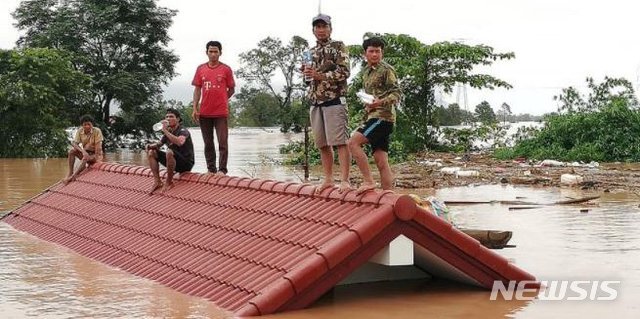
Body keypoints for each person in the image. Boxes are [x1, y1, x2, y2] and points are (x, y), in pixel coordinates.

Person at [303, 13, 352, 193]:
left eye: (324, 26)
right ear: (313, 30)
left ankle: (345, 180)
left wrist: (320, 75)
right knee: (322, 144)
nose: (321, 30)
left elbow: (345, 72)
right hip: (315, 101)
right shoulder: (309, 52)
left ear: (330, 28)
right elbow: (307, 80)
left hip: (335, 99)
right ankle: (329, 178)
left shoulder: (339, 46)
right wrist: (306, 74)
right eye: (318, 27)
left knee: (340, 141)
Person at [348, 37, 401, 193]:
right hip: (373, 116)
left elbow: (396, 93)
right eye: (371, 51)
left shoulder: (386, 70)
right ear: (365, 53)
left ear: (382, 53)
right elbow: (373, 96)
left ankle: (368, 181)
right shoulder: (366, 72)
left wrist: (378, 103)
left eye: (378, 51)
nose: (375, 54)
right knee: (381, 161)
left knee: (353, 143)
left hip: (383, 118)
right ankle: (388, 196)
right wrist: (369, 105)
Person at [192, 40, 235, 176]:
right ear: (206, 53)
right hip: (205, 112)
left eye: (216, 51)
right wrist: (195, 108)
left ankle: (222, 170)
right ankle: (211, 169)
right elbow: (197, 89)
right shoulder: (201, 69)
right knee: (208, 143)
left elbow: (232, 89)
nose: (213, 54)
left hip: (221, 112)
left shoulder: (226, 69)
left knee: (222, 142)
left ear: (220, 53)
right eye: (211, 51)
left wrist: (222, 99)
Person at [146, 108, 195, 192]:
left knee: (169, 152)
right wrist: (150, 146)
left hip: (186, 163)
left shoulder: (183, 131)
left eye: (171, 116)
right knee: (152, 152)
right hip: (173, 160)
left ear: (178, 119)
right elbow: (159, 144)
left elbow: (180, 142)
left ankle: (169, 182)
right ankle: (157, 181)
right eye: (167, 117)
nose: (168, 119)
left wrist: (165, 130)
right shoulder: (169, 132)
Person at [63, 114, 104, 184]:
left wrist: (96, 158)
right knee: (72, 151)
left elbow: (98, 148)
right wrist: (83, 151)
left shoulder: (97, 131)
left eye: (89, 124)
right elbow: (74, 143)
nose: (87, 126)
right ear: (82, 125)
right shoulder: (80, 131)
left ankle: (73, 176)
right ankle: (70, 172)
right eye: (85, 124)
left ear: (92, 124)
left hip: (95, 155)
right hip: (86, 153)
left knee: (85, 157)